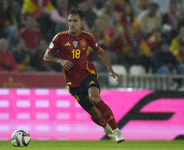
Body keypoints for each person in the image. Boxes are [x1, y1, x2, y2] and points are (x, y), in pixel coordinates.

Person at [43, 8, 125, 143]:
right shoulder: (59, 38)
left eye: (75, 21)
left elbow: (101, 52)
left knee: (95, 98)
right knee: (95, 114)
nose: (72, 24)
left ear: (81, 22)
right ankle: (106, 127)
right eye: (70, 21)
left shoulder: (87, 37)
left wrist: (110, 70)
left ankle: (117, 131)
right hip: (73, 84)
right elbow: (46, 56)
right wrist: (60, 60)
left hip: (88, 74)